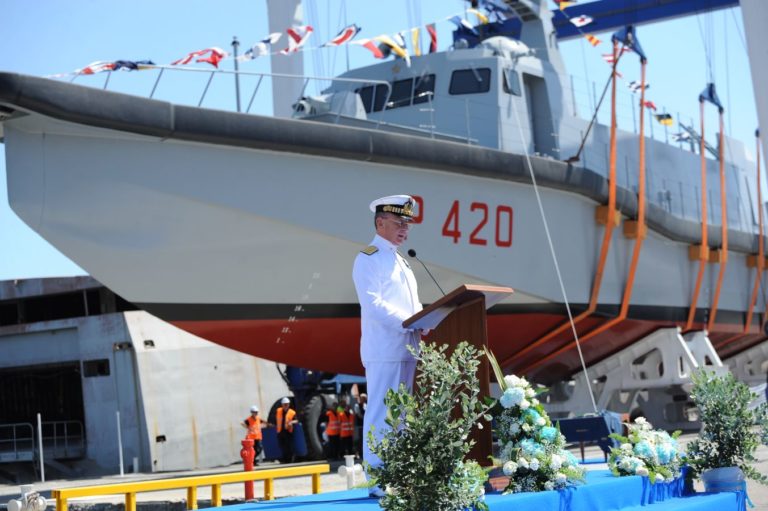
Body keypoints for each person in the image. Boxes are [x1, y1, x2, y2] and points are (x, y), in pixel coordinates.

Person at [352, 194, 424, 497]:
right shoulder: (368, 258)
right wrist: (411, 320)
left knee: (403, 417)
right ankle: (381, 481)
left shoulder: (401, 260)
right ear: (380, 223)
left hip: (407, 348)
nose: (405, 228)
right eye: (398, 222)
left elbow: (413, 303)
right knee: (382, 413)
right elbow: (373, 303)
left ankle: (401, 475)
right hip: (384, 349)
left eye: (407, 223)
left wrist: (424, 319)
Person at [275, 397, 299, 463]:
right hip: (280, 431)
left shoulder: (292, 412)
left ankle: (290, 459)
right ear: (282, 405)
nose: (285, 406)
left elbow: (297, 420)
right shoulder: (278, 411)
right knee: (282, 446)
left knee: (289, 446)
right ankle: (284, 459)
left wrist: (291, 422)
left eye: (287, 404)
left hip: (288, 432)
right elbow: (276, 420)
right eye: (284, 404)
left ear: (289, 404)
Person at [354, 393, 367, 457]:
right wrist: (365, 418)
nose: (363, 400)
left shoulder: (365, 405)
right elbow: (358, 415)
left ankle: (363, 452)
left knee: (364, 438)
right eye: (362, 398)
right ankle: (358, 452)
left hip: (365, 425)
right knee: (360, 439)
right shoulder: (357, 406)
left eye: (364, 399)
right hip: (360, 425)